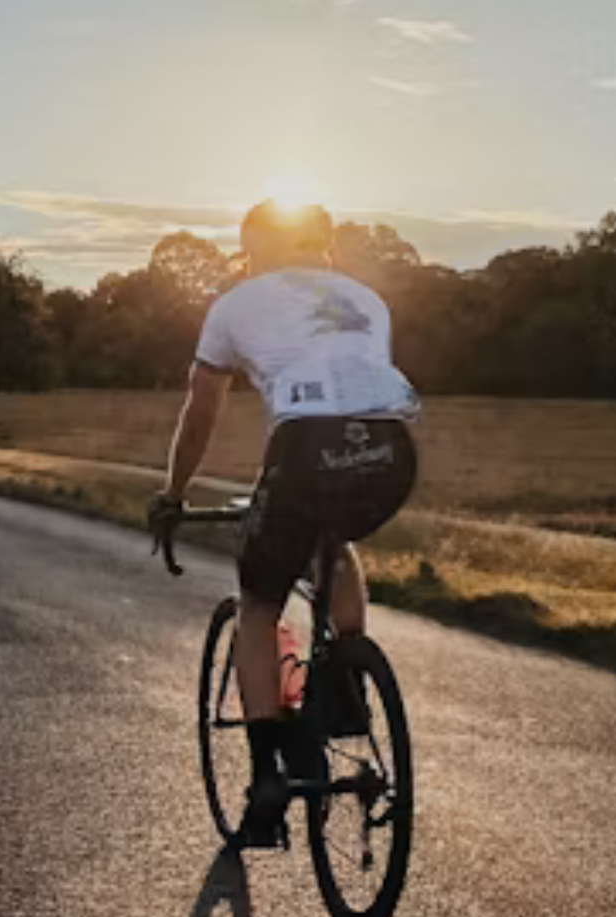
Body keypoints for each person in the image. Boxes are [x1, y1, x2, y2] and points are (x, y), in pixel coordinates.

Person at [151, 200, 420, 847]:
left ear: (253, 247)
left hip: (304, 449)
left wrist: (174, 493)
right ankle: (347, 680)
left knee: (258, 604)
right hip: (392, 448)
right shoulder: (366, 298)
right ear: (323, 247)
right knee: (333, 540)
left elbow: (202, 405)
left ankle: (268, 779)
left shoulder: (235, 304)